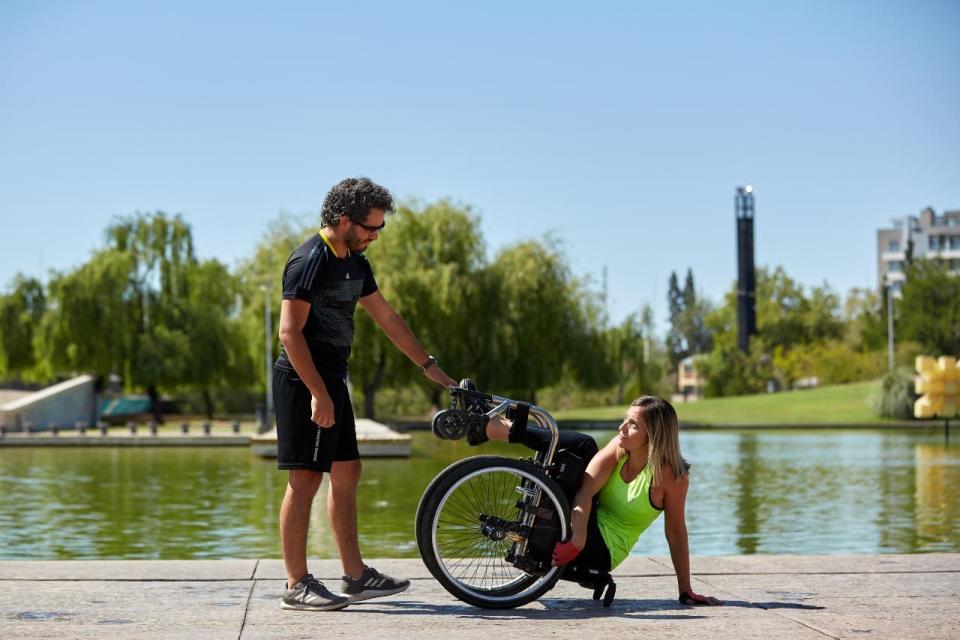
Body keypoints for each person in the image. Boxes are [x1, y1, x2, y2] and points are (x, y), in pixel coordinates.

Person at [274, 177, 456, 611]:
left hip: (333, 381)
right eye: (370, 228)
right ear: (343, 220)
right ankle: (296, 584)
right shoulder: (309, 261)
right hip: (304, 382)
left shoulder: (356, 262)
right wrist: (319, 393)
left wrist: (430, 368)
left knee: (348, 471)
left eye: (380, 228)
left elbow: (387, 317)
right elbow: (288, 333)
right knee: (305, 479)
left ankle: (356, 577)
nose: (375, 235)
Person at [449, 391, 722, 606]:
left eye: (632, 424)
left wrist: (685, 590)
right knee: (577, 451)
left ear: (653, 436)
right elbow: (585, 491)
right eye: (625, 419)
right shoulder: (620, 448)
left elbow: (675, 532)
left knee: (583, 445)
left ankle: (491, 428)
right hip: (582, 526)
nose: (622, 427)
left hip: (601, 551)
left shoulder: (671, 477)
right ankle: (489, 427)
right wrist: (577, 538)